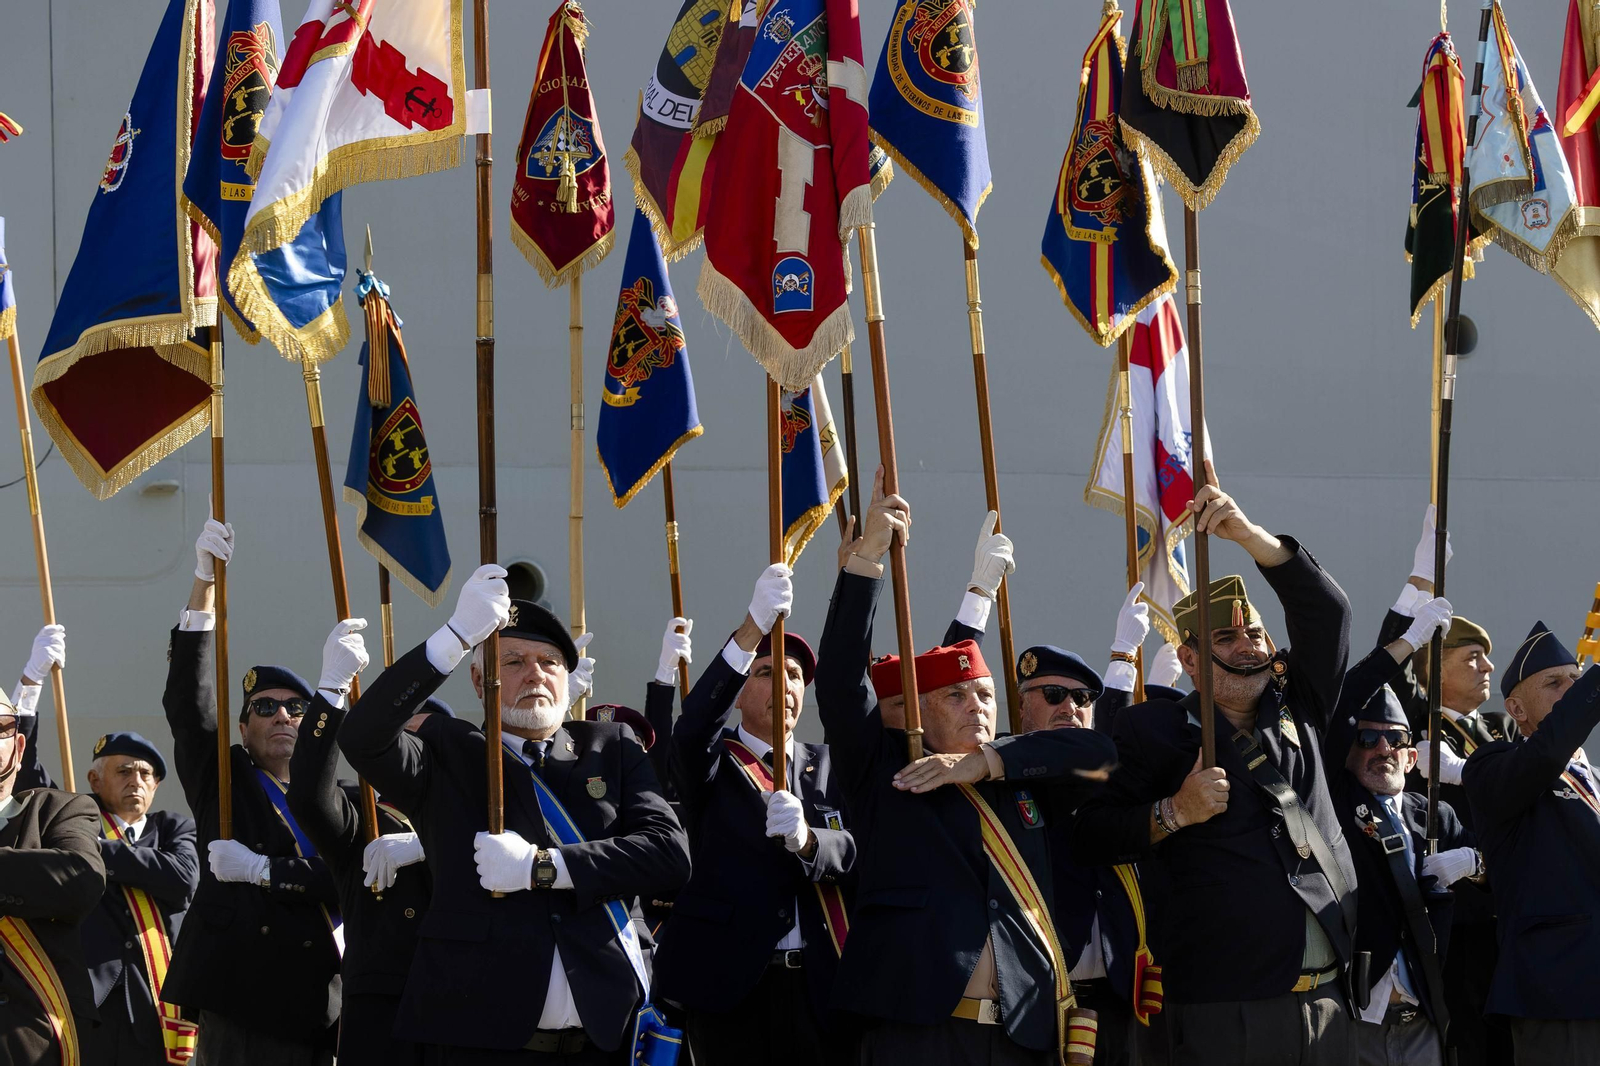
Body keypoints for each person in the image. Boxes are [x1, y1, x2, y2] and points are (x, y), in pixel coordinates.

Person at [816, 470, 1117, 1065]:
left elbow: (1101, 756)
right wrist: (868, 561)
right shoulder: (889, 770)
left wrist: (983, 761)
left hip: (1020, 1037)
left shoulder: (1015, 769)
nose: (979, 707)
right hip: (920, 1032)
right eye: (958, 697)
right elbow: (840, 683)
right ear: (917, 715)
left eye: (986, 696)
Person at [338, 564, 691, 1064]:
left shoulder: (610, 747)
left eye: (550, 662)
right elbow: (361, 737)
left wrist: (541, 868)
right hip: (479, 1039)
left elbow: (669, 856)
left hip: (606, 1036)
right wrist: (456, 636)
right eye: (514, 661)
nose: (535, 673)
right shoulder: (446, 751)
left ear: (568, 681)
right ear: (481, 680)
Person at [1073, 471, 1359, 1066]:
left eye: (1255, 632)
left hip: (1327, 997)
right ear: (1188, 657)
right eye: (1227, 638)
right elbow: (1090, 832)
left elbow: (1328, 612)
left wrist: (1251, 538)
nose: (1250, 644)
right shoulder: (1149, 730)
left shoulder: (1298, 706)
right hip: (1226, 1006)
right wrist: (1174, 813)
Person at [655, 564, 857, 1065]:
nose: (785, 685)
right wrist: (750, 630)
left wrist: (812, 842)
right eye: (767, 672)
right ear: (740, 689)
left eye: (794, 676)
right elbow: (691, 730)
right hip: (731, 986)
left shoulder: (831, 764)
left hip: (820, 984)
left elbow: (858, 847)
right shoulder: (711, 760)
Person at [160, 519, 342, 1065]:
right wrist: (203, 586)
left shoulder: (341, 793)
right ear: (242, 729)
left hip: (328, 1001)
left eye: (295, 708)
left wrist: (268, 871)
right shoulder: (225, 776)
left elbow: (350, 878)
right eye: (264, 707)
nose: (282, 715)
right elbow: (190, 708)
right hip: (248, 1004)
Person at [1377, 508, 1510, 1066]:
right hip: (1452, 918)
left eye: (1487, 656)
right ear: (1433, 664)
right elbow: (1385, 674)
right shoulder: (1416, 720)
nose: (1487, 666)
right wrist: (1419, 585)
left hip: (1503, 905)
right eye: (1470, 656)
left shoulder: (1500, 730)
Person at [1326, 596, 1482, 1066]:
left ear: (1412, 757)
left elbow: (1507, 862)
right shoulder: (1332, 802)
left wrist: (1474, 862)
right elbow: (1343, 702)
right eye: (1367, 738)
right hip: (1355, 1018)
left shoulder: (1433, 815)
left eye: (1395, 739)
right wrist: (1408, 643)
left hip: (1424, 1016)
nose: (1382, 749)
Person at [285, 618, 448, 1066]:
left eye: (420, 740)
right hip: (384, 1012)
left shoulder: (470, 808)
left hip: (462, 1001)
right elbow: (308, 795)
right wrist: (332, 691)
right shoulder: (362, 813)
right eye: (399, 739)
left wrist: (429, 843)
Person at [1014, 644, 1165, 1066]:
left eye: (1081, 699)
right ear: (1023, 707)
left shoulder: (1109, 782)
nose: (1069, 706)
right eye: (1053, 695)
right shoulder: (1008, 776)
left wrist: (1132, 676)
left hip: (1117, 994)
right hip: (1039, 995)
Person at [1462, 622, 1600, 1065]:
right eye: (1555, 683)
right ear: (1516, 709)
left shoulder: (1594, 780)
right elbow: (1544, 752)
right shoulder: (1491, 765)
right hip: (1558, 992)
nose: (1571, 692)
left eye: (1576, 682)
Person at [0, 684, 106, 1066]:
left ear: (19, 746)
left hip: (35, 1034)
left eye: (0, 727)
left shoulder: (59, 809)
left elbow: (81, 879)